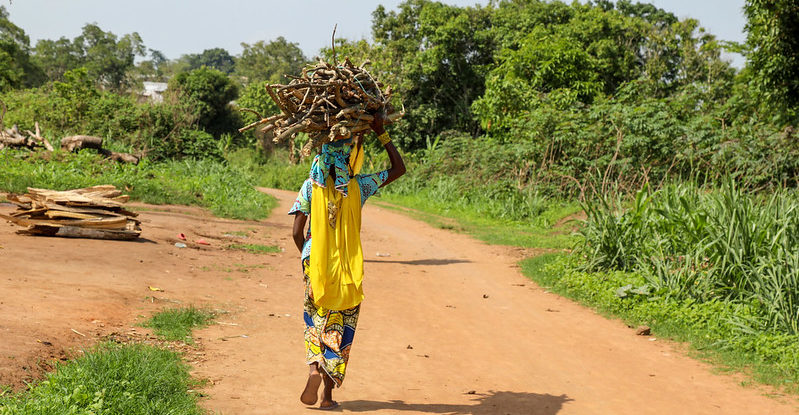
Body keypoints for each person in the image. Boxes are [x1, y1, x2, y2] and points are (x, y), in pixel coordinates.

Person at [288, 113, 405, 410]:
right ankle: (327, 395)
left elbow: (296, 231)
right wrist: (381, 133)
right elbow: (398, 169)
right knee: (340, 326)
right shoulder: (360, 186)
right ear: (350, 155)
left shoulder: (310, 186)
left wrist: (309, 256)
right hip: (348, 268)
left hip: (314, 262)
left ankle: (313, 369)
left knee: (314, 320)